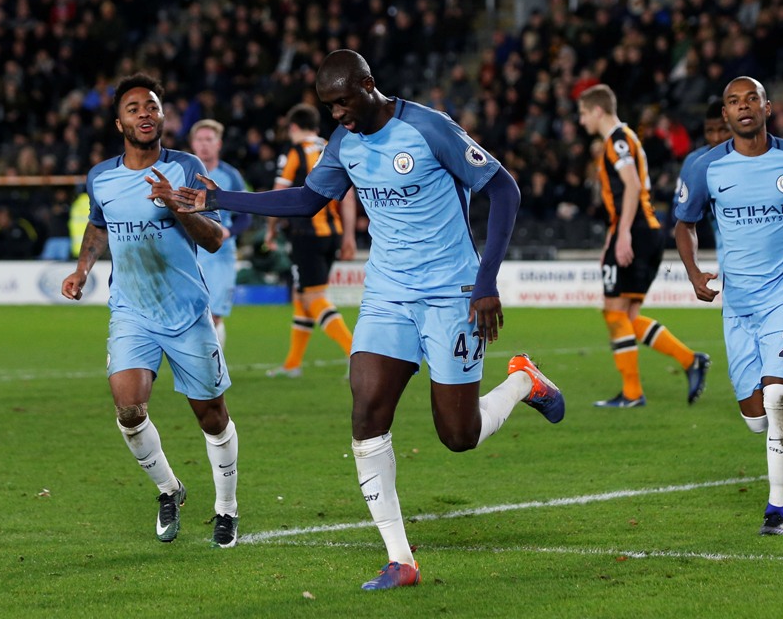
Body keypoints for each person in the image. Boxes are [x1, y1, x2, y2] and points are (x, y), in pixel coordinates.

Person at [152, 49, 565, 590]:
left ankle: (522, 381)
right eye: (328, 106)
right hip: (388, 294)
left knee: (458, 435)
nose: (337, 115)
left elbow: (503, 188)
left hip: (452, 293)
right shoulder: (345, 143)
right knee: (366, 411)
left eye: (343, 102)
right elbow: (307, 200)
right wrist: (220, 197)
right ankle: (401, 559)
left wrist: (486, 282)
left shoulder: (429, 128)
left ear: (369, 85)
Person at [60, 73, 240, 549]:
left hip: (185, 313)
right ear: (119, 121)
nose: (145, 113)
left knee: (212, 417)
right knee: (129, 409)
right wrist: (82, 269)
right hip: (131, 312)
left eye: (153, 106)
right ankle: (169, 490)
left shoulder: (186, 168)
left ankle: (226, 508)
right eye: (135, 107)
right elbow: (99, 227)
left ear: (163, 117)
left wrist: (176, 207)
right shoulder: (101, 176)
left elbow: (215, 238)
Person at [674, 76, 783, 536]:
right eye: (733, 102)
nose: (743, 107)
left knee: (776, 397)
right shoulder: (705, 169)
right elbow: (683, 225)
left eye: (751, 99)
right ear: (724, 116)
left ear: (767, 108)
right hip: (738, 302)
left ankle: (776, 511)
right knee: (754, 417)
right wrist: (693, 271)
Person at [577, 84, 710, 408]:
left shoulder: (618, 140)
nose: (581, 122)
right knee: (629, 315)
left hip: (636, 231)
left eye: (583, 113)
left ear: (597, 110)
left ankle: (633, 393)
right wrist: (614, 234)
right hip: (644, 230)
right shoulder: (626, 139)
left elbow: (632, 187)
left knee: (613, 313)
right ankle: (690, 360)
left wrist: (622, 235)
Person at [264, 103, 356, 378]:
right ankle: (293, 364)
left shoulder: (293, 151)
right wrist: (349, 235)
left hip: (306, 234)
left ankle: (355, 352)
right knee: (302, 295)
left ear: (292, 127)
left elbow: (279, 192)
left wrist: (270, 229)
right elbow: (348, 195)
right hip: (333, 232)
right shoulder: (331, 146)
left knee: (313, 296)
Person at [188, 118, 252, 346]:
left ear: (219, 144)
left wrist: (229, 230)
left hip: (221, 254)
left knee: (214, 315)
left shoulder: (230, 176)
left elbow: (245, 215)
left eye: (209, 139)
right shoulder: (183, 173)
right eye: (199, 139)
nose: (204, 144)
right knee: (192, 315)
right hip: (190, 253)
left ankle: (214, 366)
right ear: (192, 143)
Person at [672, 99, 732, 253]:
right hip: (710, 239)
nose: (716, 138)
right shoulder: (694, 162)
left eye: (723, 130)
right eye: (710, 131)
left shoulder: (750, 158)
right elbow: (679, 210)